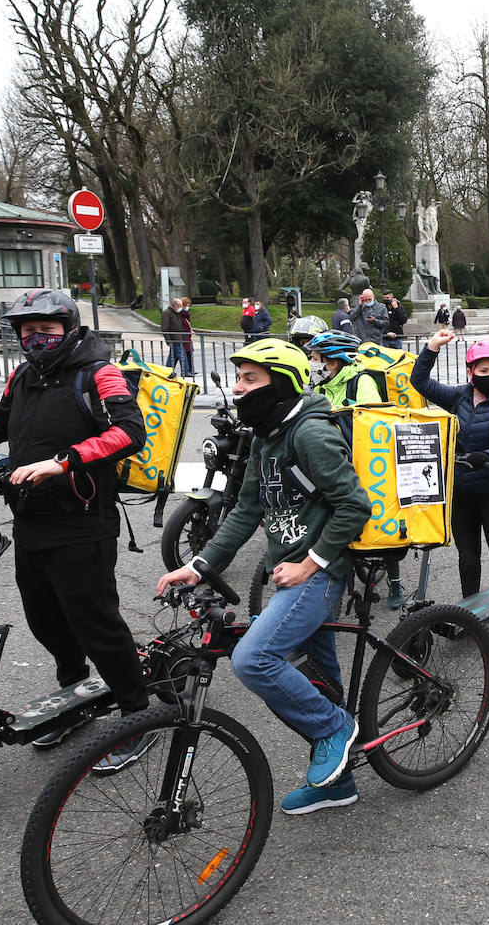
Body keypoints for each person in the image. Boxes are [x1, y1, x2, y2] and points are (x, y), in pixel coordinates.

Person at [0, 290, 152, 772]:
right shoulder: (23, 376)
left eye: (46, 329)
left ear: (69, 327)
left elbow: (130, 432)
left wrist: (62, 463)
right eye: (27, 330)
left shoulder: (99, 372)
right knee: (46, 619)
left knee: (96, 622)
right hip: (32, 518)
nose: (36, 338)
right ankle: (74, 697)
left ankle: (138, 715)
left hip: (83, 518)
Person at [155, 339, 370, 814]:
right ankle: (339, 780)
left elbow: (354, 506)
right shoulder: (265, 436)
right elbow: (246, 508)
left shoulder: (311, 435)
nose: (238, 388)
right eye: (239, 378)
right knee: (320, 683)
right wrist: (198, 565)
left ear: (284, 383)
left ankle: (334, 729)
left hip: (320, 574)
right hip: (291, 574)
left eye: (250, 379)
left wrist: (309, 562)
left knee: (254, 660)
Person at [411, 332, 489, 652]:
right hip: (462, 494)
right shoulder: (458, 397)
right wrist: (432, 347)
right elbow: (419, 381)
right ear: (470, 372)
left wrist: (488, 458)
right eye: (483, 370)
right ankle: (470, 612)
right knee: (468, 558)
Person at [306, 329, 404, 608]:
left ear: (334, 361)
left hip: (364, 463)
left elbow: (375, 424)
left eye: (316, 358)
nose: (312, 364)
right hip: (331, 464)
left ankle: (395, 581)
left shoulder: (361, 383)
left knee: (381, 526)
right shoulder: (322, 386)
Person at [161, 297, 190, 374]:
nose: (181, 308)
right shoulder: (167, 313)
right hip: (174, 338)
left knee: (173, 356)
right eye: (180, 306)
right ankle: (185, 371)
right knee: (181, 355)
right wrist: (168, 340)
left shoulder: (175, 313)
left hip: (178, 337)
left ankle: (168, 371)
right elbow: (164, 327)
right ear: (175, 306)